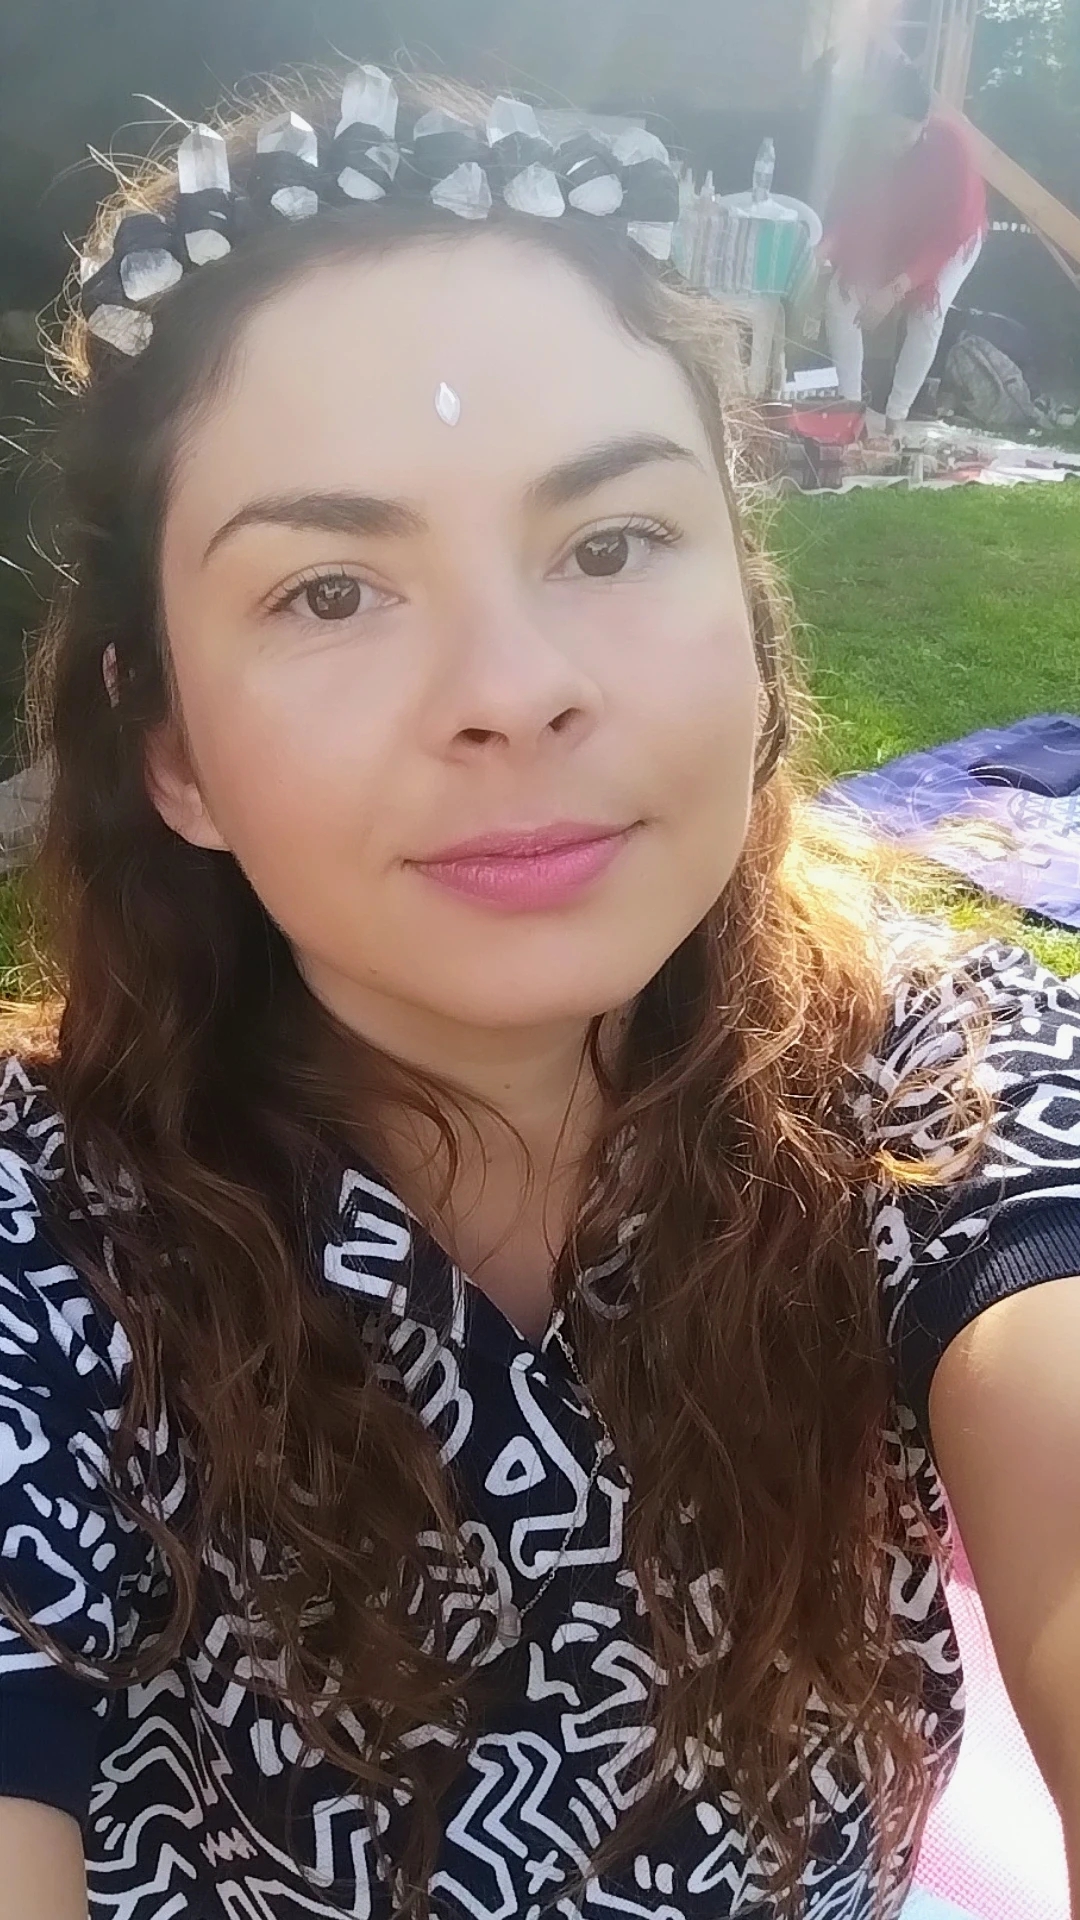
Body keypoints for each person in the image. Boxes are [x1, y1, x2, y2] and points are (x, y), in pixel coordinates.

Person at [0, 60, 1077, 1920]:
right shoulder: (41, 1242)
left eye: (610, 543)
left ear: (753, 621)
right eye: (330, 590)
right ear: (166, 745)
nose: (513, 688)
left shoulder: (945, 1091)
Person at [822, 59, 988, 432]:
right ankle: (851, 409)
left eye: (903, 135)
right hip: (893, 233)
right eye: (886, 132)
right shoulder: (864, 144)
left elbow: (946, 238)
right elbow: (852, 209)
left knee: (927, 314)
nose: (891, 145)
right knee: (839, 297)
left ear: (924, 122)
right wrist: (824, 250)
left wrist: (895, 288)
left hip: (952, 238)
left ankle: (896, 415)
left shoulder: (952, 148)